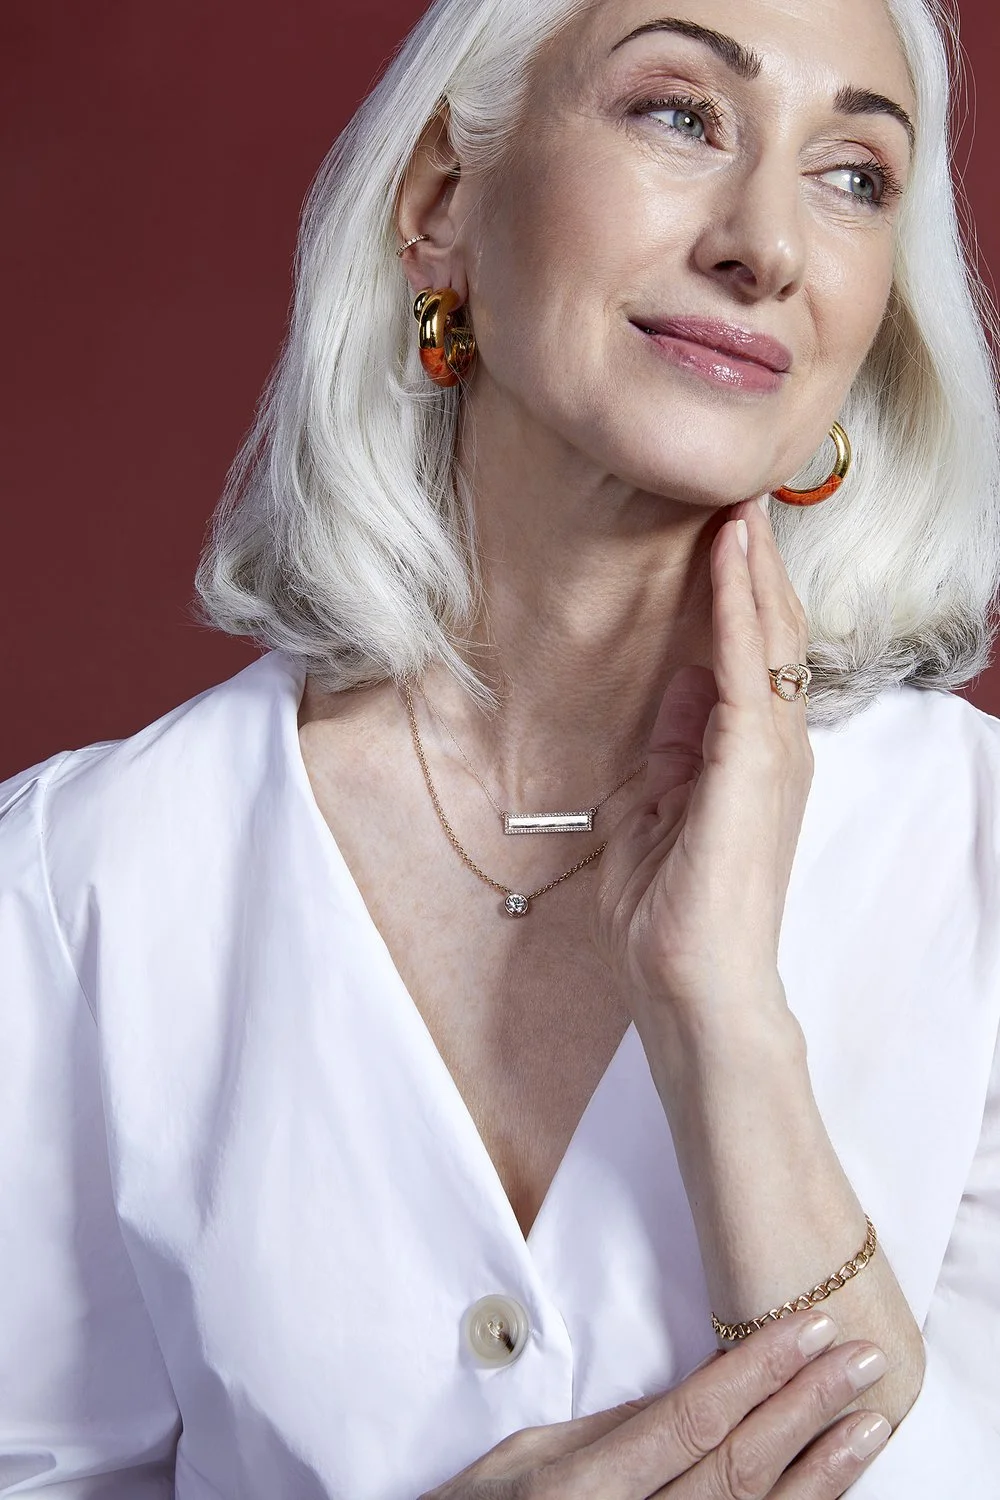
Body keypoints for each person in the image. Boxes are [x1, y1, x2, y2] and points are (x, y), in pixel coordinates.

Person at [2, 0, 999, 1494]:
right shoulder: (82, 879)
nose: (768, 245)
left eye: (855, 174)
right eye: (680, 112)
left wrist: (722, 1013)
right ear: (442, 203)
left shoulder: (978, 858)